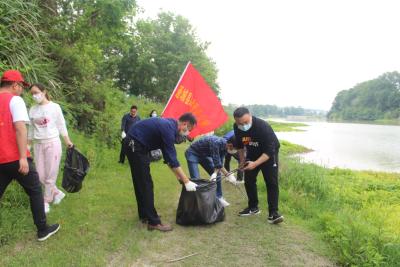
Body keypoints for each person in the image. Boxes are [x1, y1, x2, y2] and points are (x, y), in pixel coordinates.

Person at [0, 70, 60, 241]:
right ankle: (42, 230)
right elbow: (20, 129)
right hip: (15, 158)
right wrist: (22, 157)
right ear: (15, 85)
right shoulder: (15, 100)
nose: (22, 91)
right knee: (35, 190)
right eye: (21, 87)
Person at [124, 113, 198, 232]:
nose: (188, 133)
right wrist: (186, 181)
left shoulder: (169, 126)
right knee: (146, 184)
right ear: (184, 124)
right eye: (189, 129)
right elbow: (173, 159)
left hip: (136, 146)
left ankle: (145, 215)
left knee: (141, 183)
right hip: (135, 146)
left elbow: (168, 159)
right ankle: (153, 222)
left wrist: (178, 177)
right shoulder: (168, 129)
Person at [28, 83, 73, 214]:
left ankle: (46, 201)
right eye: (32, 94)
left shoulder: (55, 107)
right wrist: (28, 146)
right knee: (40, 175)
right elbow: (31, 129)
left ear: (44, 91)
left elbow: (61, 125)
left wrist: (67, 141)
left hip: (53, 144)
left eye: (36, 92)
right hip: (38, 144)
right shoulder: (32, 109)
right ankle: (57, 193)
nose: (34, 96)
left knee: (50, 175)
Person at [233, 107, 283, 224]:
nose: (243, 125)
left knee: (271, 183)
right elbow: (240, 146)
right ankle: (253, 207)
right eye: (240, 123)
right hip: (252, 153)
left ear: (250, 115)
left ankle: (273, 213)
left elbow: (269, 151)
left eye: (246, 122)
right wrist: (242, 161)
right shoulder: (237, 127)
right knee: (249, 181)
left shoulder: (263, 127)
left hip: (269, 155)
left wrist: (255, 164)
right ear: (236, 121)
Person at [185, 135, 237, 207]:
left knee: (218, 175)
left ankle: (218, 198)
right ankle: (199, 203)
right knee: (196, 180)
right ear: (230, 145)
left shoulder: (226, 147)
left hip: (204, 155)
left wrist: (220, 174)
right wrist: (227, 174)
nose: (235, 151)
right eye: (235, 149)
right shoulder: (216, 143)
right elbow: (217, 162)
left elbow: (220, 163)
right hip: (192, 153)